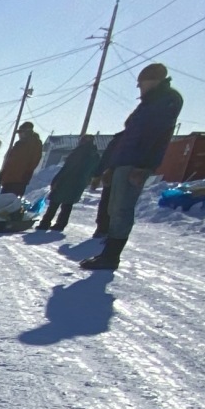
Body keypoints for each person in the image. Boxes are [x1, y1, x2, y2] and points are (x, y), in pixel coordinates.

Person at [83, 64, 183, 270]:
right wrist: (111, 166)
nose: (140, 89)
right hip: (125, 161)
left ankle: (111, 257)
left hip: (136, 164)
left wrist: (145, 166)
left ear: (153, 81)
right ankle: (107, 252)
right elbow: (127, 137)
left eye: (141, 84)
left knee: (122, 210)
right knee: (113, 208)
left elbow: (157, 137)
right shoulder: (148, 103)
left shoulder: (166, 100)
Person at [37, 135, 100, 231]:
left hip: (67, 180)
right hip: (79, 183)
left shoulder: (79, 152)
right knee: (67, 204)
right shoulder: (95, 155)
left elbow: (68, 167)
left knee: (55, 202)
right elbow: (95, 170)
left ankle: (45, 223)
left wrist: (57, 179)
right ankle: (60, 224)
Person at [0, 121, 43, 196]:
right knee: (3, 201)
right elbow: (10, 161)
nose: (19, 134)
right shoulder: (18, 144)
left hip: (19, 180)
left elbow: (34, 161)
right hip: (9, 179)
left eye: (21, 132)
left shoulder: (34, 144)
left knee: (11, 202)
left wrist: (26, 173)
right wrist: (3, 174)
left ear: (27, 132)